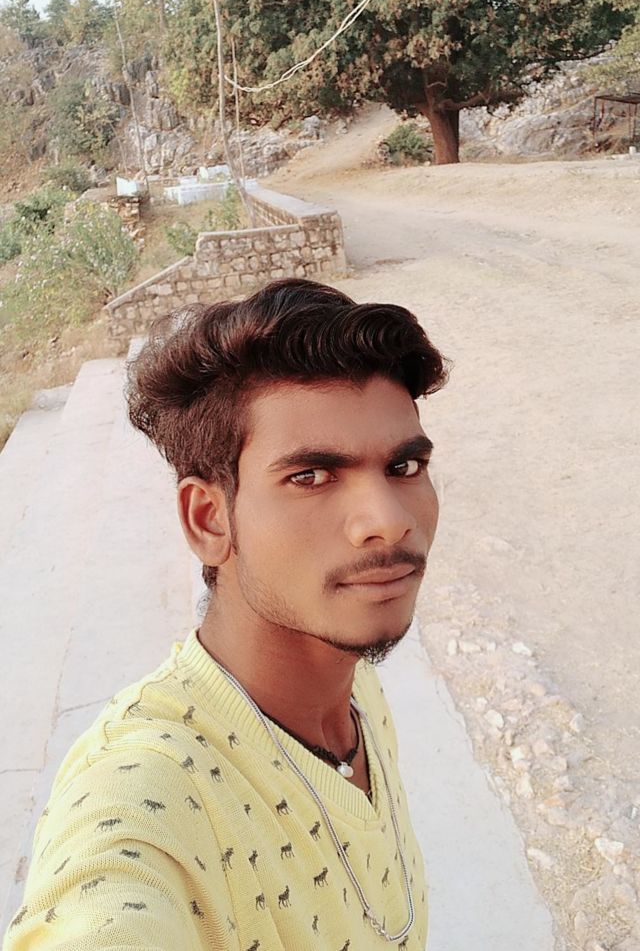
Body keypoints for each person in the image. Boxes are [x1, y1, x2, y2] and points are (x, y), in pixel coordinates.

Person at [3, 278, 448, 951]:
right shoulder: (146, 790)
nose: (387, 520)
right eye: (311, 477)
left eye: (404, 466)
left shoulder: (353, 682)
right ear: (209, 519)